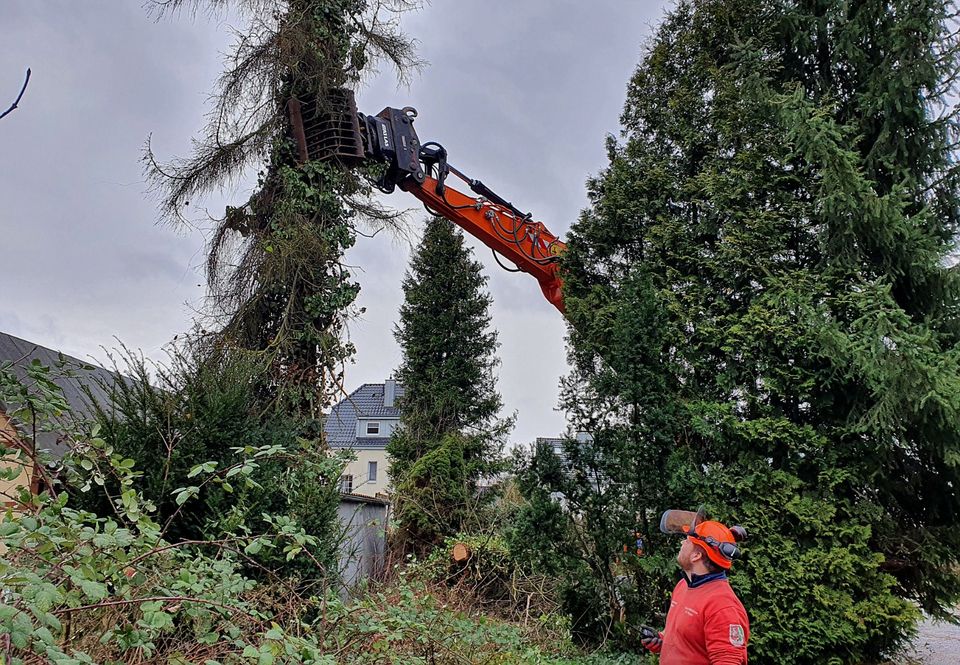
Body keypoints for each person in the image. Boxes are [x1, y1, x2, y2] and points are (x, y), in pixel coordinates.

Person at [641, 512, 749, 664]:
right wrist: (661, 640)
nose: (682, 544)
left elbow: (728, 661)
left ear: (696, 556)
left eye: (687, 540)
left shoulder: (722, 606)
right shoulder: (683, 585)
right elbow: (688, 640)